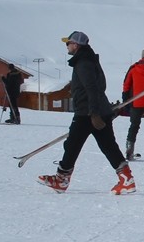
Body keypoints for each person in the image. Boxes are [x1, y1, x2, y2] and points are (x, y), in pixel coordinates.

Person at [38, 32, 136, 195]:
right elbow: (101, 85)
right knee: (108, 146)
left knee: (72, 145)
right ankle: (127, 179)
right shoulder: (90, 60)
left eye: (68, 43)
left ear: (76, 45)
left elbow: (92, 88)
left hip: (87, 113)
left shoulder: (83, 62)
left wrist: (94, 113)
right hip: (96, 110)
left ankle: (61, 180)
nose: (66, 45)